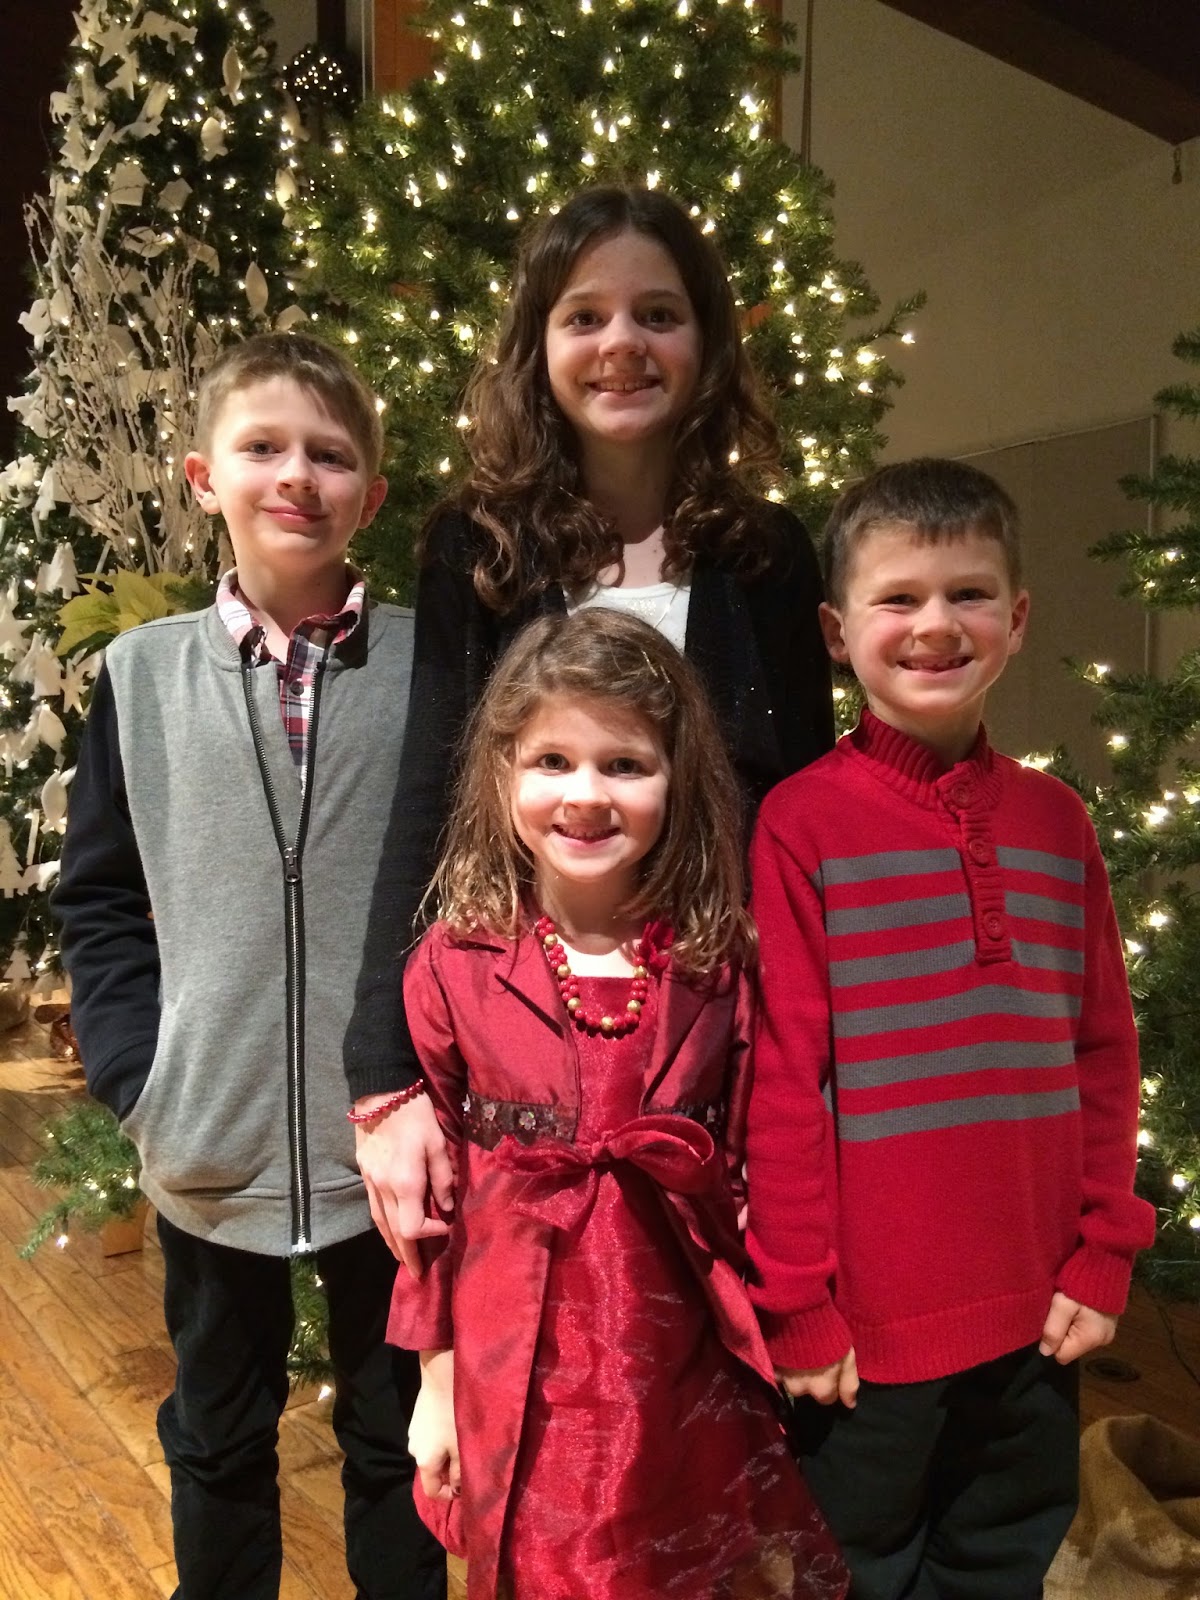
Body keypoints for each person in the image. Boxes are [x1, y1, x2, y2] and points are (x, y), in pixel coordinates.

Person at [346, 184, 835, 1272]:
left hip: (720, 1059)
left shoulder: (767, 555)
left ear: (706, 344)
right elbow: (428, 801)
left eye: (658, 314)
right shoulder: (476, 547)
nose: (623, 344)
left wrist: (803, 1079)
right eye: (585, 316)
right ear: (540, 345)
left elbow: (803, 824)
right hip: (525, 1066)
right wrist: (385, 1079)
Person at [52, 333, 446, 1600]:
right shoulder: (141, 675)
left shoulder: (433, 666)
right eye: (263, 447)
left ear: (371, 493)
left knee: (397, 1442)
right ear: (203, 475)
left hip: (391, 1144)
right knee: (219, 1436)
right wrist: (139, 1075)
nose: (296, 476)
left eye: (329, 454)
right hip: (208, 1137)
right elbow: (101, 895)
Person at [745, 457, 1157, 1599]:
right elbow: (782, 1080)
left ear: (1016, 619)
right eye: (899, 597)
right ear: (838, 633)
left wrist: (1105, 1249)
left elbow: (1103, 1049)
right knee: (853, 1568)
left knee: (1003, 1556)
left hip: (1040, 1314)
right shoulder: (799, 825)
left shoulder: (1057, 821)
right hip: (866, 1340)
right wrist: (798, 1300)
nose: (935, 624)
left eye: (968, 593)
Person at [389, 607, 848, 1600]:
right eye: (552, 761)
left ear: (676, 777)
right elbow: (433, 1208)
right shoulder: (453, 965)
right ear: (502, 772)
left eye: (626, 764)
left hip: (678, 1370)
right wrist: (435, 1379)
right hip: (517, 1374)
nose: (587, 794)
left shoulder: (717, 964)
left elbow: (749, 1166)